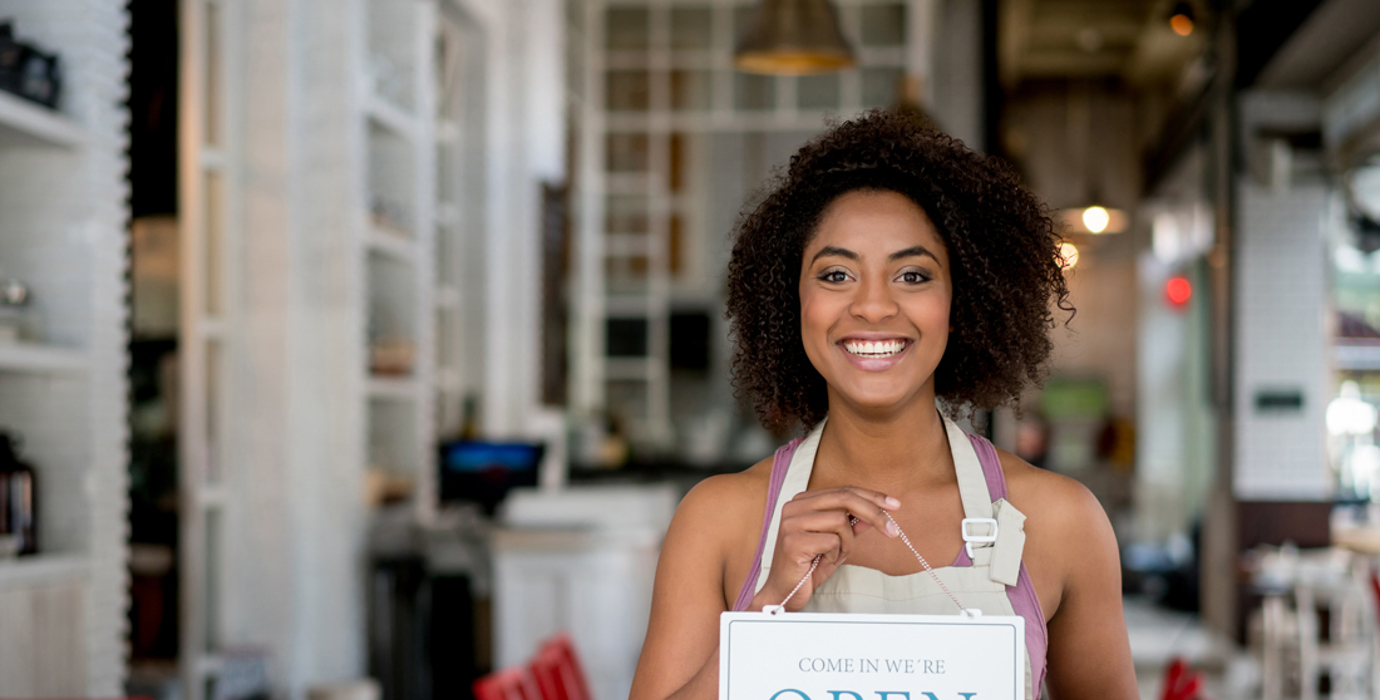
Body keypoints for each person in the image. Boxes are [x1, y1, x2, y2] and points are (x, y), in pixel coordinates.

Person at [628, 110, 1138, 700]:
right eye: (838, 273)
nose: (872, 306)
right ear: (792, 300)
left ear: (960, 302)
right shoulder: (716, 521)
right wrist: (767, 612)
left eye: (914, 275)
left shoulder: (1061, 522)